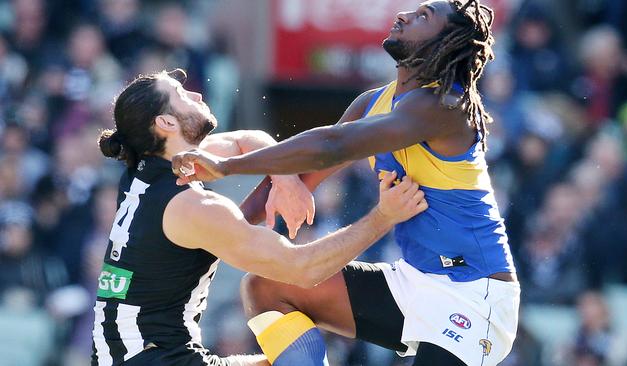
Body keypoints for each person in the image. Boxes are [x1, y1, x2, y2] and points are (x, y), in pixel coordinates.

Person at [172, 1, 520, 365]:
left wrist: (228, 166)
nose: (404, 16)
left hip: (475, 295)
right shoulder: (372, 102)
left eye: (423, 17)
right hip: (414, 282)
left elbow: (331, 145)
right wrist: (213, 239)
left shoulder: (446, 106)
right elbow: (298, 181)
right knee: (267, 287)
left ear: (445, 41)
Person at [91, 68, 428, 366]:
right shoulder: (193, 208)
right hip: (156, 358)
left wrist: (284, 179)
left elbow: (243, 142)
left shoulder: (152, 166)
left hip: (139, 354)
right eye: (180, 95)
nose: (194, 94)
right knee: (273, 294)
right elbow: (303, 270)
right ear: (166, 123)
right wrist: (384, 216)